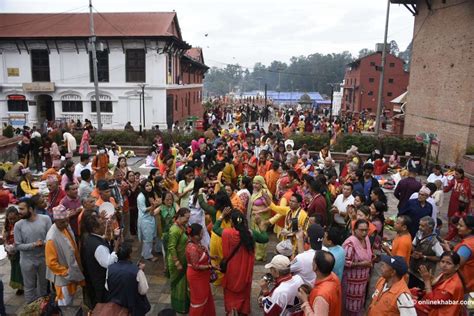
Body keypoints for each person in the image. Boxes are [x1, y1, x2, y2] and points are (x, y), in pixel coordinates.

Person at [216, 210, 268, 315]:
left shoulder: (227, 233)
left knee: (231, 293)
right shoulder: (252, 233)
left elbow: (215, 228)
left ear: (232, 222)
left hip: (231, 270)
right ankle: (242, 310)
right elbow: (265, 238)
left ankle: (232, 310)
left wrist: (222, 216)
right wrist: (260, 225)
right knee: (243, 292)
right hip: (245, 270)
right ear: (244, 221)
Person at [45, 205, 85, 306]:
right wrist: (67, 273)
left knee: (70, 301)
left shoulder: (65, 227)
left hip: (71, 274)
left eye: (67, 220)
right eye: (62, 222)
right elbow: (51, 263)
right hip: (63, 279)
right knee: (64, 305)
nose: (66, 223)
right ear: (55, 221)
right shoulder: (51, 238)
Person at [14, 198, 52, 303]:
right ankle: (31, 309)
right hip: (27, 260)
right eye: (19, 209)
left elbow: (50, 238)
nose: (19, 212)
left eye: (22, 209)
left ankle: (44, 308)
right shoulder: (18, 225)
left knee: (44, 286)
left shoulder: (45, 219)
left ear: (30, 209)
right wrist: (34, 245)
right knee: (29, 287)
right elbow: (17, 245)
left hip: (43, 258)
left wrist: (43, 243)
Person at [81, 214, 119, 309]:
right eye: (102, 224)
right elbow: (108, 263)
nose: (105, 225)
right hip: (101, 282)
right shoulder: (98, 246)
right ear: (95, 229)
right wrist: (115, 248)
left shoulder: (90, 238)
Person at [105, 242, 151, 316]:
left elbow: (107, 287)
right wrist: (140, 271)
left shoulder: (110, 268)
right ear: (129, 255)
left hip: (116, 308)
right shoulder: (137, 271)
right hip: (133, 308)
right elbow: (143, 290)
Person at [413, 251, 465, 316]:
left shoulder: (453, 285)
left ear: (456, 267)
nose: (444, 265)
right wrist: (429, 280)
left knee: (409, 304)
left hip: (441, 312)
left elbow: (433, 303)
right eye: (442, 261)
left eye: (448, 263)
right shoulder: (445, 274)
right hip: (435, 306)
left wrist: (427, 281)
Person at [342, 219, 373, 315]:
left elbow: (367, 254)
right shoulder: (350, 244)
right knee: (350, 307)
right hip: (352, 284)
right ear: (354, 230)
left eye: (366, 230)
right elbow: (345, 262)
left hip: (362, 282)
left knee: (359, 304)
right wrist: (361, 264)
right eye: (361, 230)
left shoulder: (366, 239)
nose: (364, 233)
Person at [297, 250, 342, 316]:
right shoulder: (334, 276)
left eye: (313, 260)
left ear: (315, 267)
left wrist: (305, 302)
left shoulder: (321, 296)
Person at [185, 223, 216, 316]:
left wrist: (211, 256)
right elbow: (196, 266)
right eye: (201, 234)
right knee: (199, 300)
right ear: (195, 236)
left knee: (205, 296)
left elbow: (202, 254)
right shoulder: (192, 248)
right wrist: (210, 267)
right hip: (196, 277)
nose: (203, 235)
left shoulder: (196, 243)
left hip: (202, 276)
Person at [408, 216, 443, 289]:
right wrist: (413, 251)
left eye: (423, 226)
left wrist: (424, 257)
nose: (420, 227)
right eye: (419, 225)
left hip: (423, 275)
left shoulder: (435, 241)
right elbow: (413, 245)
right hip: (413, 269)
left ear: (430, 228)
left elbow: (441, 258)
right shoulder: (418, 233)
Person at [167, 208, 191, 314]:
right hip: (176, 261)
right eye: (186, 218)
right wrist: (177, 262)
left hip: (183, 259)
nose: (188, 220)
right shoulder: (174, 230)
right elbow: (171, 248)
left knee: (183, 285)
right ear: (180, 216)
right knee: (177, 285)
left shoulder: (182, 226)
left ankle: (184, 305)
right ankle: (178, 306)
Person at [248, 175, 271, 261]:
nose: (255, 185)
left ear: (261, 184)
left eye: (257, 183)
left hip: (262, 218)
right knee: (255, 235)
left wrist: (259, 212)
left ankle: (261, 256)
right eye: (254, 183)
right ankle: (257, 254)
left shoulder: (265, 193)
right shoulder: (256, 191)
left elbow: (270, 207)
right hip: (254, 217)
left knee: (261, 236)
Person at [444, 167, 471, 240]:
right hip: (453, 201)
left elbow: (467, 194)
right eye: (454, 174)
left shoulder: (466, 182)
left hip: (461, 203)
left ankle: (458, 232)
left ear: (461, 174)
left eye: (457, 174)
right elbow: (448, 188)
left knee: (459, 217)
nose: (455, 175)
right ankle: (450, 232)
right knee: (451, 216)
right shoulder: (454, 180)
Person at [137, 179, 160, 262]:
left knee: (150, 237)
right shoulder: (141, 196)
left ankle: (145, 253)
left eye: (150, 185)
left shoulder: (151, 194)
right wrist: (154, 205)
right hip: (145, 220)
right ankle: (147, 255)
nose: (149, 187)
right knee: (148, 238)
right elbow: (143, 209)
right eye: (147, 186)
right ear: (143, 187)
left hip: (151, 217)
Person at [3, 206, 24, 295]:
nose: (12, 221)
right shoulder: (8, 226)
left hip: (20, 250)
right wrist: (6, 246)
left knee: (20, 268)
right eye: (10, 219)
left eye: (13, 218)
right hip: (11, 251)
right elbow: (5, 236)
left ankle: (23, 286)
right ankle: (19, 286)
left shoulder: (21, 224)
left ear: (18, 216)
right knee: (14, 268)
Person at [452, 215, 474, 292]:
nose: (457, 227)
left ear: (470, 229)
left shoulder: (466, 246)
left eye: (461, 226)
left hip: (464, 284)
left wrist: (448, 251)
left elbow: (455, 264)